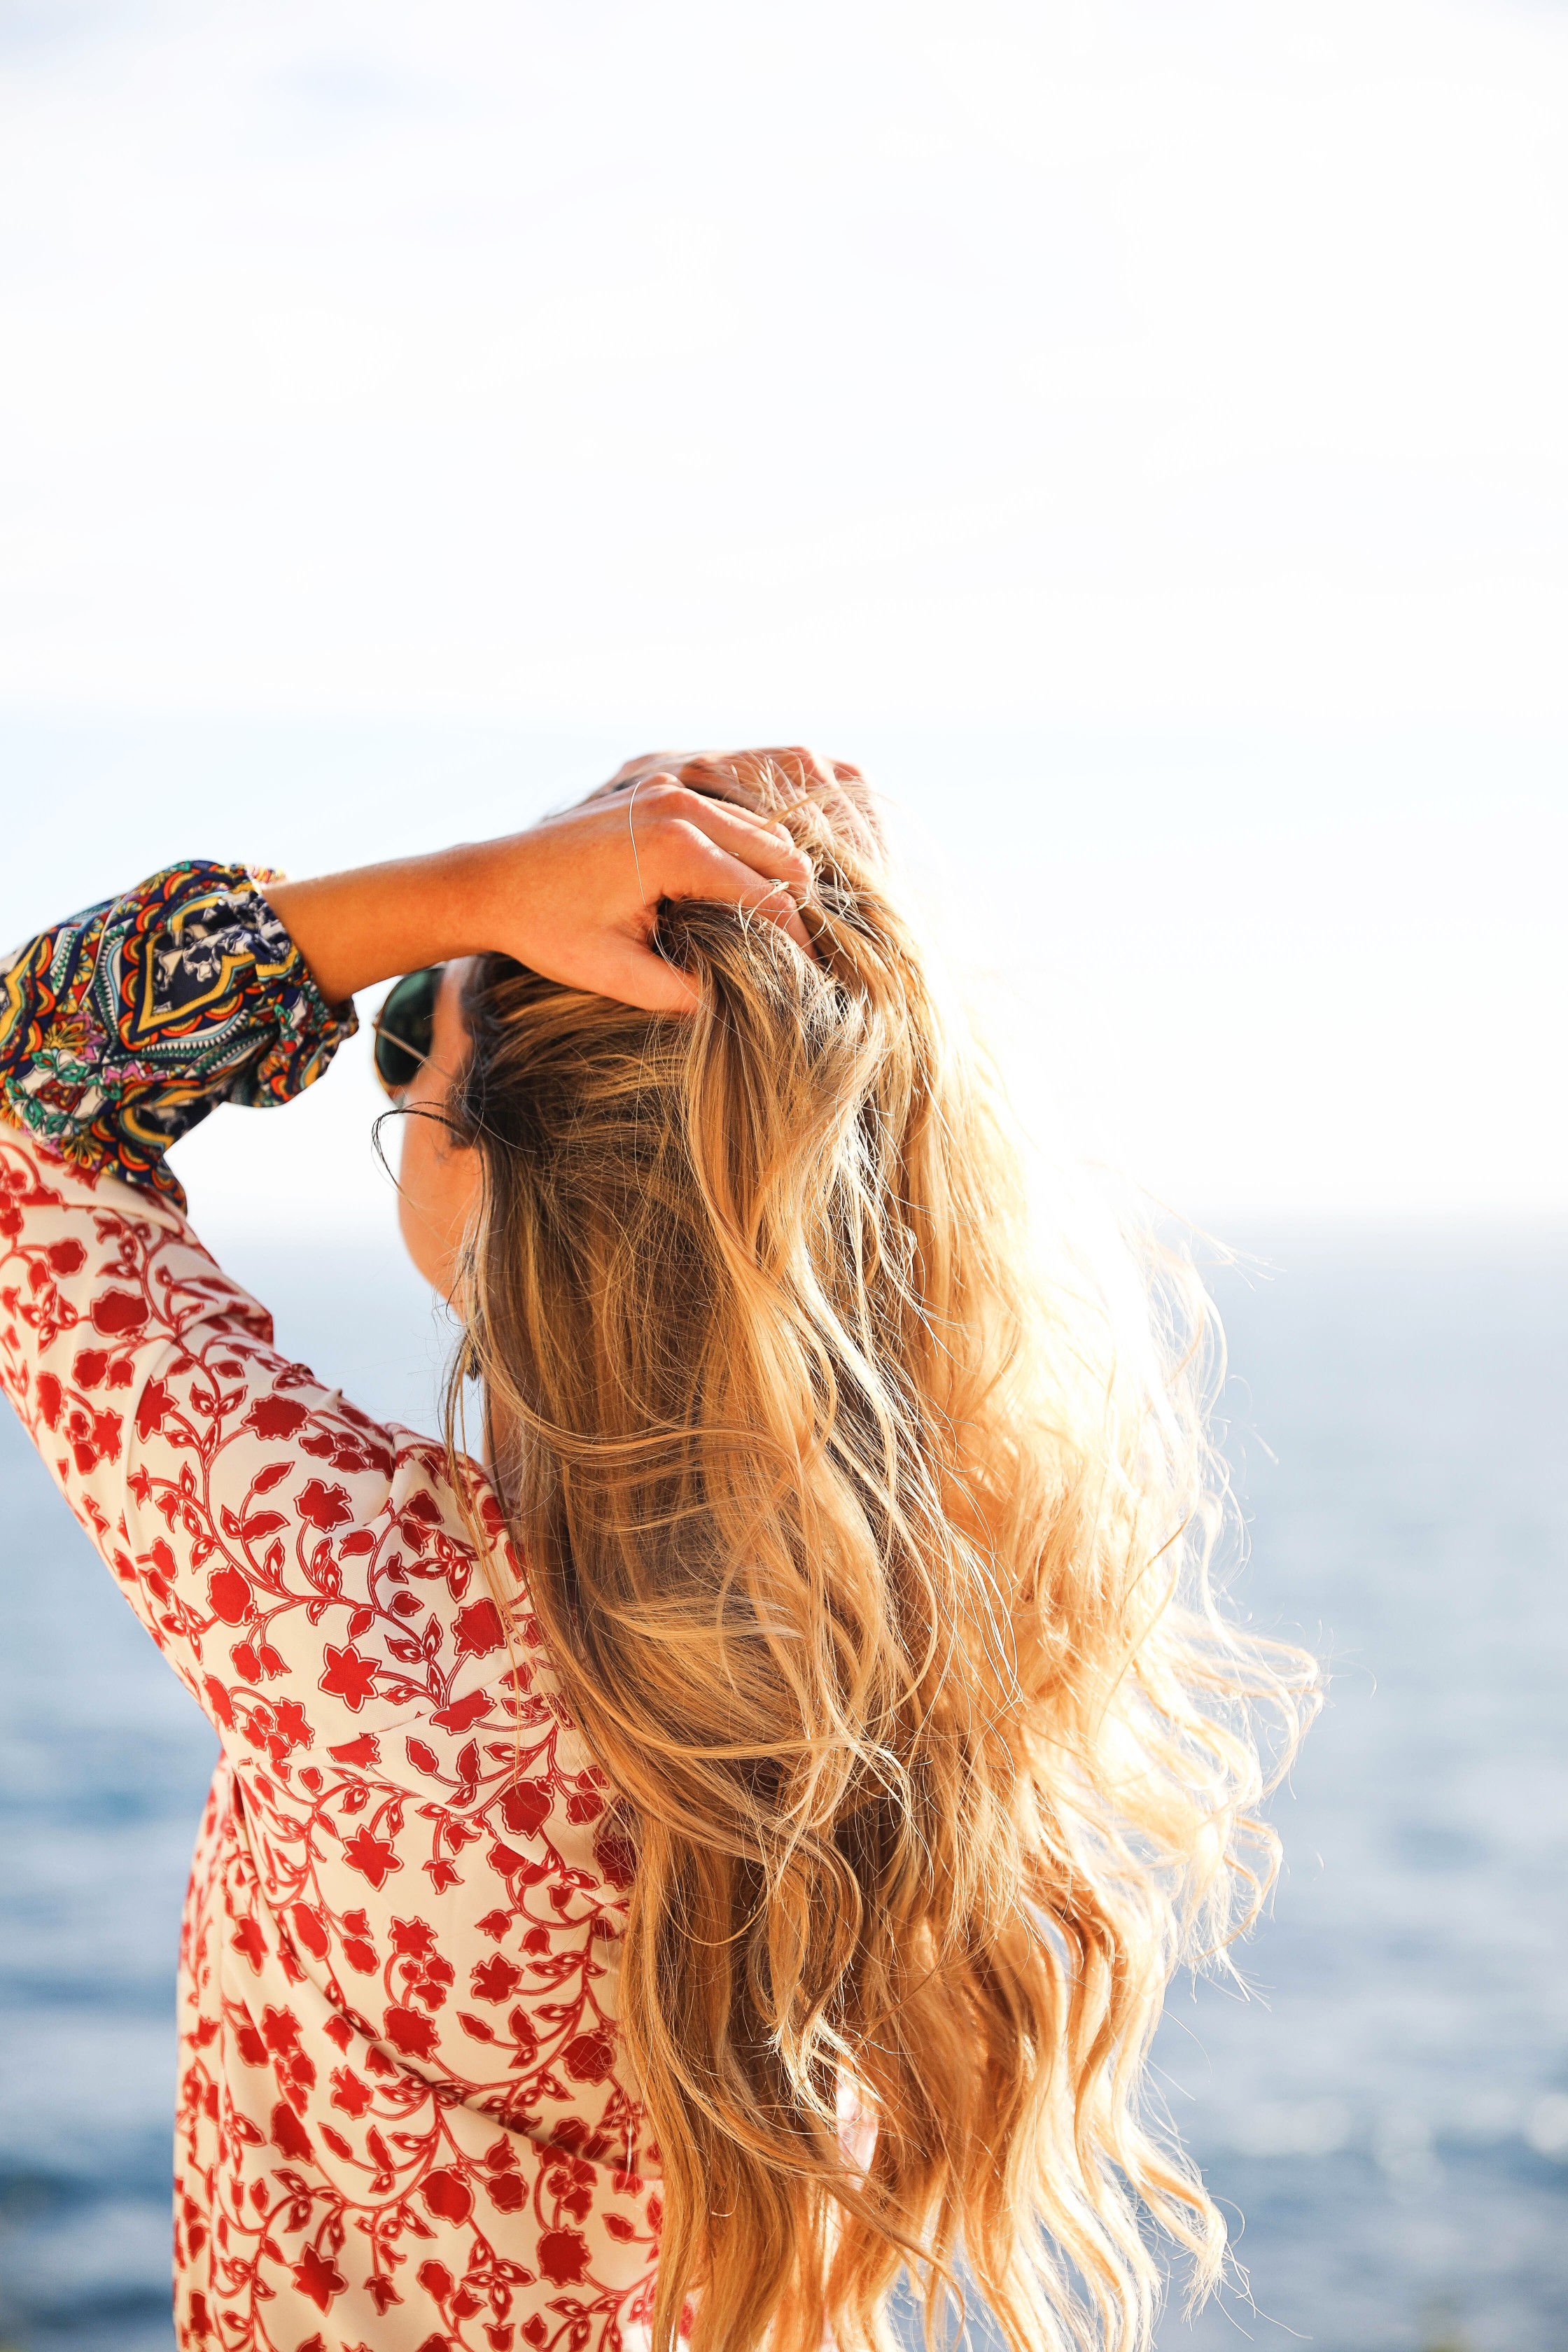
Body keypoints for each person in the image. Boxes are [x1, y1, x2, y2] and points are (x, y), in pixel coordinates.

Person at [0, 748, 1310, 2352]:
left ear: (491, 1155)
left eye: (419, 1025)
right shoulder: (936, 1616)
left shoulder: (355, 1617)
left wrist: (473, 888)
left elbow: (30, 1097)